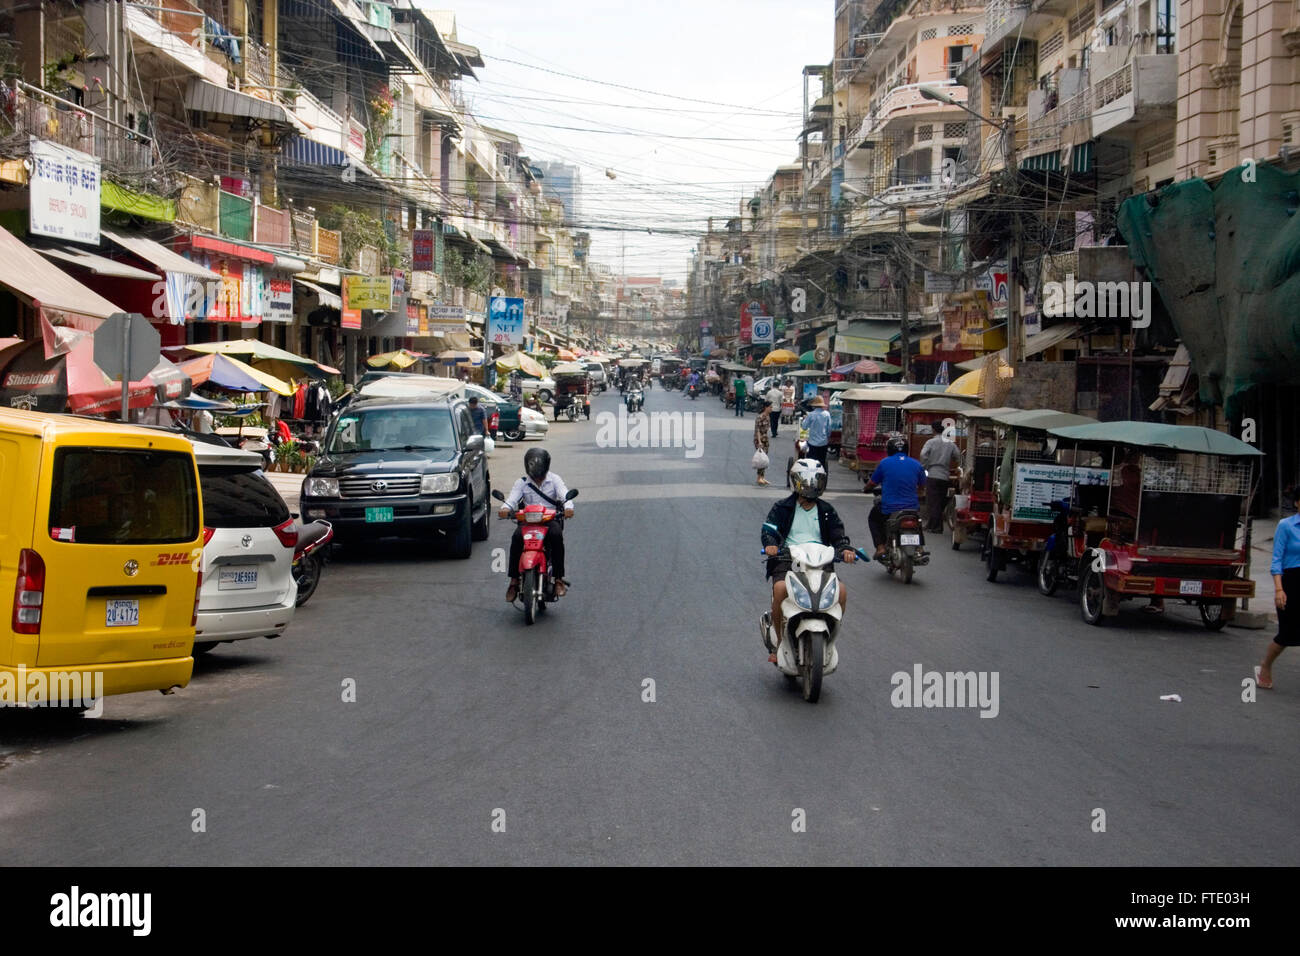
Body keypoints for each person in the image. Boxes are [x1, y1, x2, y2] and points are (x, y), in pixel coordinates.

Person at [761, 459, 855, 663]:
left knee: (842, 591)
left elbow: (839, 536)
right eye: (806, 481)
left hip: (820, 561)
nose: (811, 486)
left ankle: (829, 639)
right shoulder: (782, 507)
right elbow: (769, 530)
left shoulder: (827, 510)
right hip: (788, 559)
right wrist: (771, 545)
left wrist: (845, 549)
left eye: (815, 481)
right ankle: (779, 644)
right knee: (779, 590)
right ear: (796, 482)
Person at [500, 447, 573, 601]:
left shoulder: (555, 480)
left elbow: (565, 495)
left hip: (549, 521)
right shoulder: (522, 483)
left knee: (556, 535)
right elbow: (512, 500)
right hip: (528, 523)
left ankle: (559, 579)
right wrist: (505, 508)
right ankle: (513, 581)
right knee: (516, 538)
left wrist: (568, 508)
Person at [1258, 484, 1300, 689]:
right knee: (1287, 635)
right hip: (1291, 583)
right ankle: (1266, 665)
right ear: (1297, 503)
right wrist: (1279, 589)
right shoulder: (1286, 526)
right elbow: (1277, 560)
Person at [864, 433, 928, 562]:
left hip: (889, 508)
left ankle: (881, 547)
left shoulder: (884, 463)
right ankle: (920, 547)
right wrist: (919, 493)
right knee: (918, 522)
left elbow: (872, 483)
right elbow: (922, 486)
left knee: (873, 518)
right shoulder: (916, 464)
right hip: (911, 508)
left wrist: (866, 489)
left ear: (889, 450)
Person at [919, 419, 961, 533]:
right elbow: (958, 456)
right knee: (940, 501)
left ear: (933, 429)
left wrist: (925, 466)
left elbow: (923, 454)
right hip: (945, 476)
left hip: (932, 474)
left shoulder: (930, 442)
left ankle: (936, 527)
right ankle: (932, 525)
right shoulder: (950, 443)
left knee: (932, 502)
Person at [803, 396, 832, 467]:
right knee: (821, 463)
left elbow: (804, 427)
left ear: (814, 406)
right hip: (823, 443)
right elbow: (829, 429)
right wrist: (827, 437)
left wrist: (805, 419)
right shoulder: (827, 414)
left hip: (812, 443)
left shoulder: (810, 415)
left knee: (810, 463)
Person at [754, 398, 772, 486]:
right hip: (759, 439)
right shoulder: (760, 417)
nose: (771, 409)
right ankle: (759, 478)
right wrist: (759, 442)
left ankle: (762, 477)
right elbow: (757, 430)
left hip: (765, 438)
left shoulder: (768, 417)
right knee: (761, 459)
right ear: (766, 407)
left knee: (764, 459)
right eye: (770, 407)